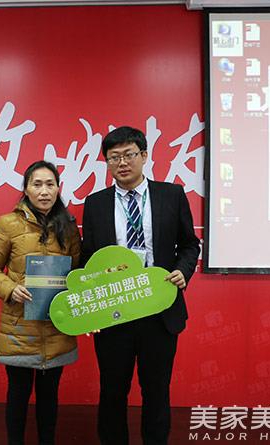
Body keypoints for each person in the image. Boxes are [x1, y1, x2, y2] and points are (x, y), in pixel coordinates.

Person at [80, 126, 200, 445]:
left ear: (144, 156)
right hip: (114, 313)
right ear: (107, 162)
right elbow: (87, 258)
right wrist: (88, 307)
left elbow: (190, 244)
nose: (122, 162)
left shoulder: (171, 195)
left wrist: (182, 271)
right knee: (112, 391)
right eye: (114, 157)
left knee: (157, 391)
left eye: (129, 154)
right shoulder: (96, 203)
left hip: (159, 311)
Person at [0, 160, 81, 445]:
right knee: (18, 395)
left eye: (50, 184)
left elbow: (77, 273)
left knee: (49, 397)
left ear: (58, 188)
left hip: (57, 325)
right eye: (37, 184)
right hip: (19, 327)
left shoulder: (69, 227)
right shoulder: (9, 223)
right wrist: (10, 289)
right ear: (26, 189)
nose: (44, 191)